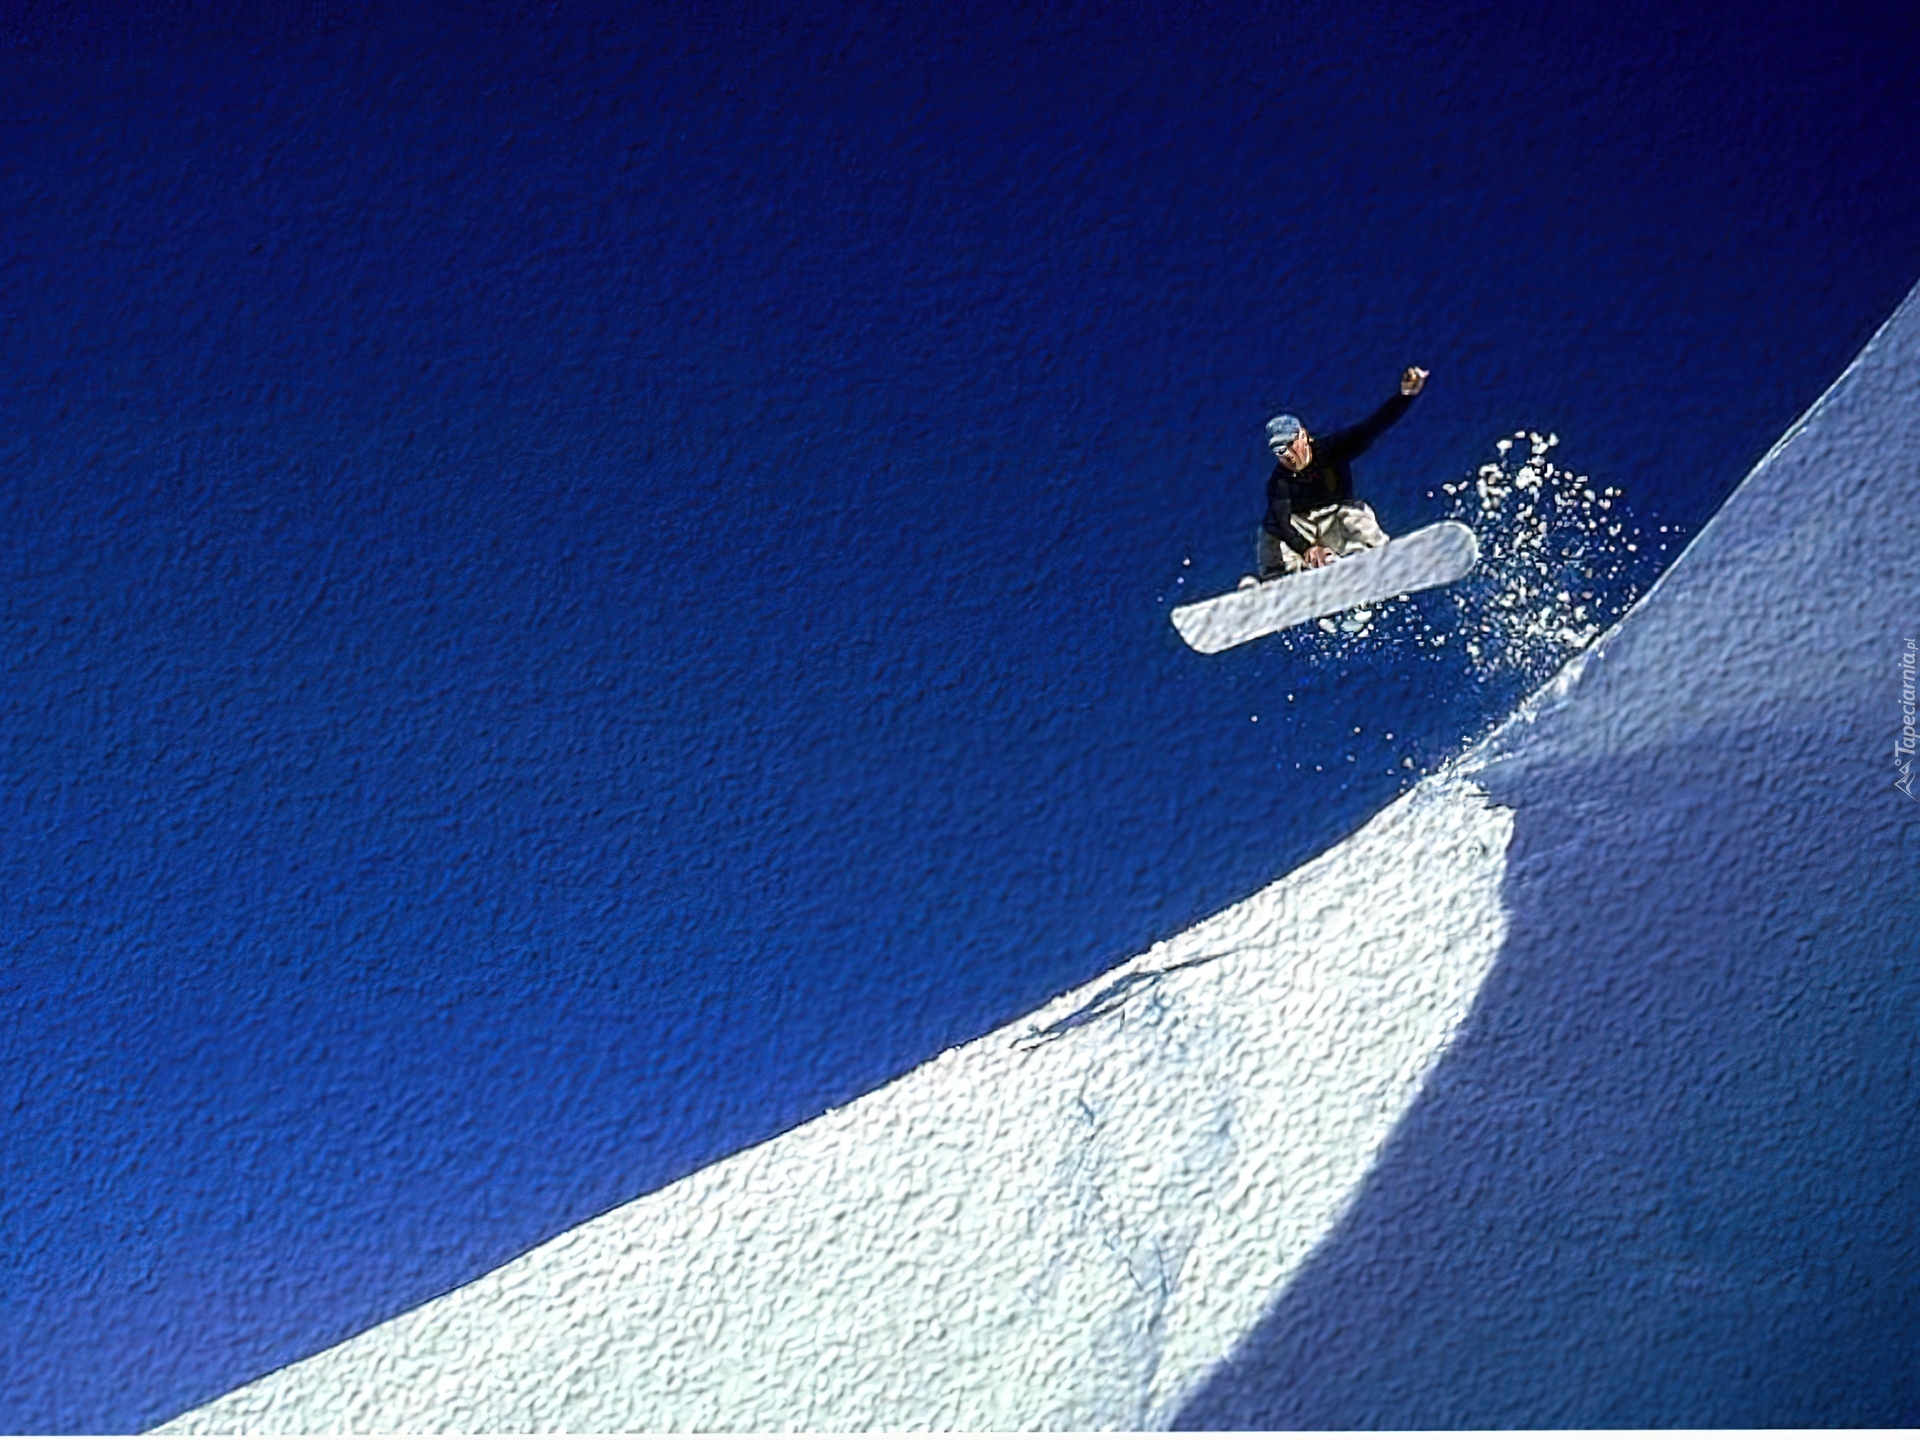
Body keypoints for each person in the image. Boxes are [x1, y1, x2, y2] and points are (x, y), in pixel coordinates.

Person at [1247, 365, 1429, 584]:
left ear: (1304, 437)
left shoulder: (1333, 450)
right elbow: (1282, 523)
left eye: (1291, 445)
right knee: (1273, 531)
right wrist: (1308, 550)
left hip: (1334, 524)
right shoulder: (1279, 482)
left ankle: (1370, 554)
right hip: (1300, 534)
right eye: (1280, 451)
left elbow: (1374, 426)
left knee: (1351, 515)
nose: (1289, 455)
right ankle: (1274, 581)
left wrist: (1405, 396)